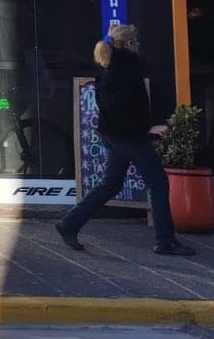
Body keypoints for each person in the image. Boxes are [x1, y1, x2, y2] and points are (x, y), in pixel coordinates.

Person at [55, 24, 195, 256]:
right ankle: (165, 241)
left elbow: (115, 110)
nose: (138, 45)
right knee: (159, 184)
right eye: (135, 41)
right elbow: (126, 112)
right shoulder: (126, 70)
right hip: (130, 138)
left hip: (114, 136)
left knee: (111, 183)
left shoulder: (109, 67)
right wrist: (149, 128)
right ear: (129, 44)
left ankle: (70, 224)